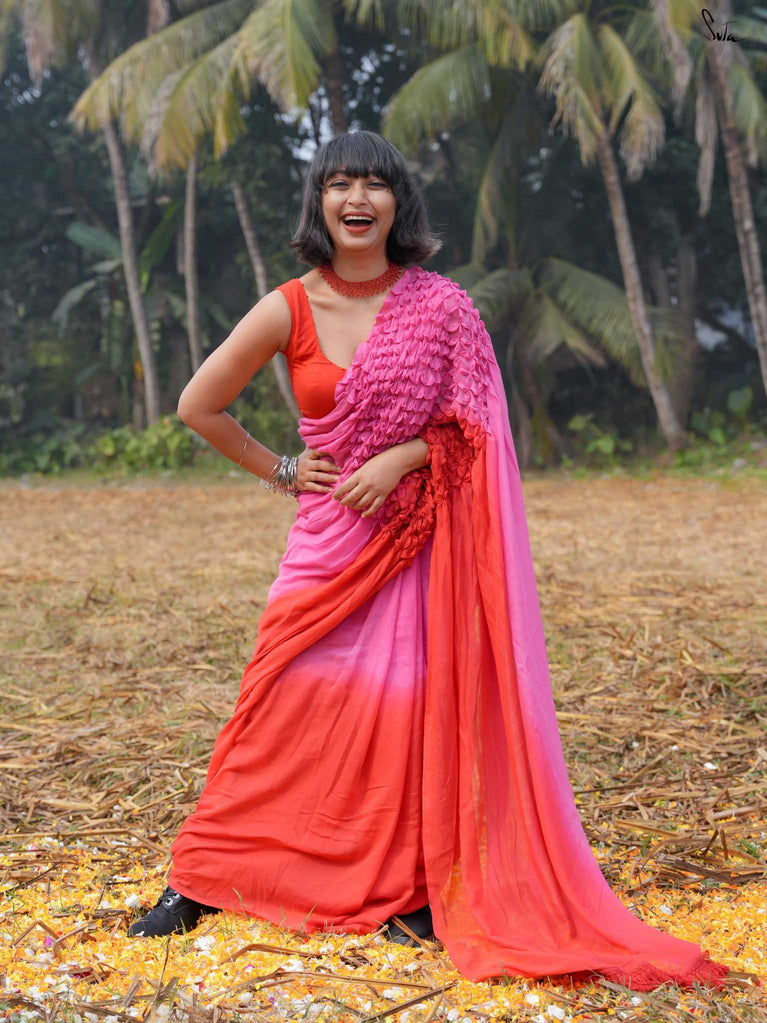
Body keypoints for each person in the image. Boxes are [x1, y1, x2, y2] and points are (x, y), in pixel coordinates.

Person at [126, 130, 732, 994]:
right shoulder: (289, 306)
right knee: (274, 706)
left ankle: (409, 888)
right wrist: (285, 469)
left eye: (374, 183)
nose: (357, 198)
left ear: (397, 202)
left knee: (406, 715)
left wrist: (401, 457)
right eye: (340, 183)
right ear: (319, 202)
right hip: (325, 544)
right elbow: (199, 404)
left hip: (417, 545)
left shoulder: (441, 307)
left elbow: (477, 425)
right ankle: (202, 877)